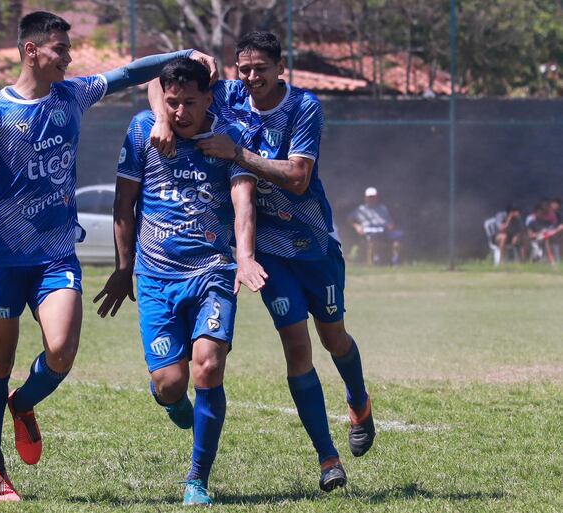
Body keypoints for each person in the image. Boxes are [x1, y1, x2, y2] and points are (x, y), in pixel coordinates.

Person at [0, 11, 217, 502]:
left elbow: (133, 73)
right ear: (32, 51)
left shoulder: (73, 94)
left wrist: (182, 56)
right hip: (2, 257)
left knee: (62, 350)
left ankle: (22, 404)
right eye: (59, 49)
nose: (69, 58)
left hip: (55, 255)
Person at [148, 31, 374, 492]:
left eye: (261, 70)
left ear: (280, 67)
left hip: (313, 244)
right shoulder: (230, 94)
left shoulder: (304, 108)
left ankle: (359, 400)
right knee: (296, 346)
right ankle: (328, 460)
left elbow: (297, 176)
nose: (251, 78)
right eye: (244, 69)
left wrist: (239, 153)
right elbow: (160, 82)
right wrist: (163, 118)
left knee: (334, 338)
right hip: (269, 252)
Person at [94, 58, 265, 506]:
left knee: (208, 366)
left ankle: (197, 480)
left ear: (209, 98)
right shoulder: (142, 131)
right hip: (155, 277)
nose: (181, 112)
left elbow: (243, 201)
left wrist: (244, 257)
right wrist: (123, 267)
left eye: (191, 102)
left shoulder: (229, 136)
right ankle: (172, 401)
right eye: (173, 103)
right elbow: (124, 201)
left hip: (212, 270)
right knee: (170, 382)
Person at [349, 187, 403, 265]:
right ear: (365, 198)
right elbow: (349, 219)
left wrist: (390, 225)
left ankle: (395, 260)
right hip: (369, 231)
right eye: (370, 197)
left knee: (398, 235)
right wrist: (357, 226)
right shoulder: (361, 209)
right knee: (373, 237)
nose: (372, 199)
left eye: (373, 197)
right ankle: (376, 259)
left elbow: (390, 222)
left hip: (383, 230)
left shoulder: (382, 208)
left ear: (376, 197)